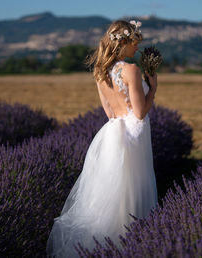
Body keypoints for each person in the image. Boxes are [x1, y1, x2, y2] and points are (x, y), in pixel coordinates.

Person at [46, 20, 158, 257]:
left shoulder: (100, 73)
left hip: (112, 133)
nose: (137, 49)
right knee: (134, 189)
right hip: (132, 136)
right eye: (135, 43)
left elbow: (110, 113)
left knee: (113, 192)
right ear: (124, 42)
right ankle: (128, 245)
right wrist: (154, 88)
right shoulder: (132, 70)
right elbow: (139, 113)